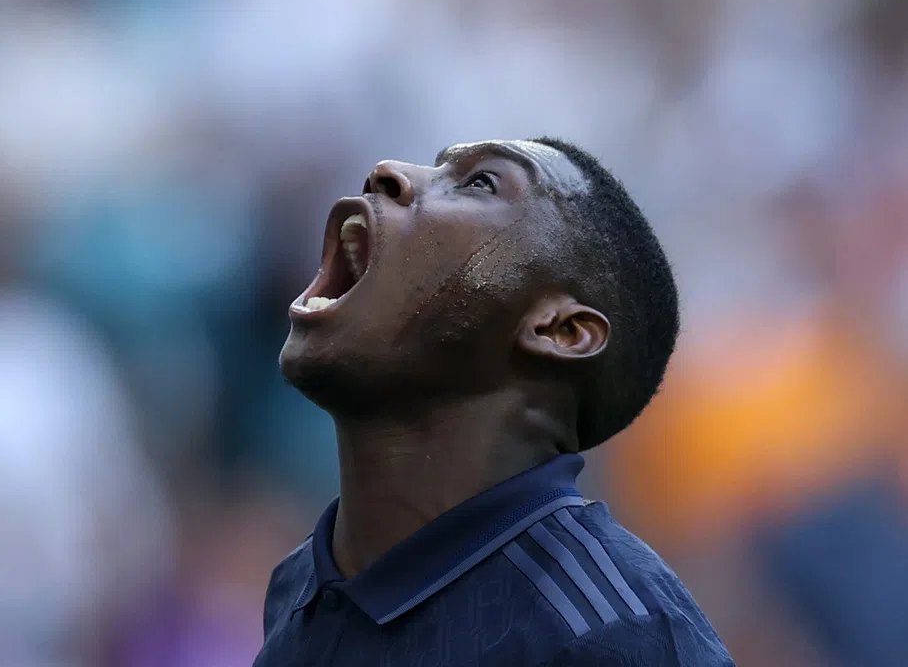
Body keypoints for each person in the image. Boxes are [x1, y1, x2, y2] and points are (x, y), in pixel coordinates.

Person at [254, 138, 734, 666]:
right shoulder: (297, 585)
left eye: (479, 183)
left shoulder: (614, 633)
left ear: (560, 330)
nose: (386, 172)